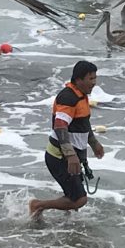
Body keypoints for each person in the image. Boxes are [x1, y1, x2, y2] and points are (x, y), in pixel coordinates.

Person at [31, 60, 103, 222]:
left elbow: (83, 123)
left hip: (71, 156)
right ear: (78, 80)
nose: (94, 82)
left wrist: (93, 143)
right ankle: (38, 205)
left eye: (95, 78)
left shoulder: (81, 96)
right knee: (79, 200)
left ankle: (66, 216)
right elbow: (60, 126)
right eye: (90, 79)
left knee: (74, 198)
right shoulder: (68, 98)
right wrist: (70, 155)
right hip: (59, 157)